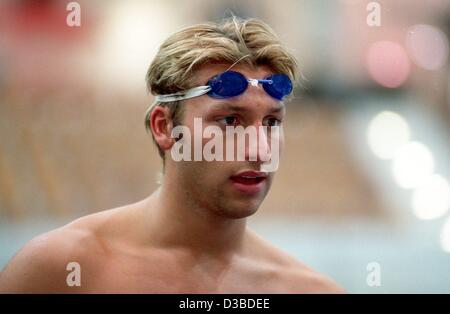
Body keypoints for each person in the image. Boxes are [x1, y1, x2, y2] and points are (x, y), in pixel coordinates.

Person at [0, 16, 345, 293]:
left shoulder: (307, 289)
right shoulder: (62, 271)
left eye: (271, 122)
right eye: (229, 120)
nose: (259, 149)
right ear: (165, 127)